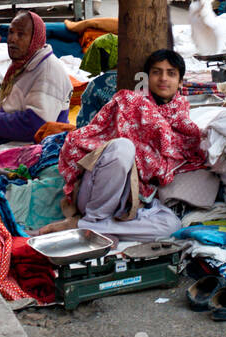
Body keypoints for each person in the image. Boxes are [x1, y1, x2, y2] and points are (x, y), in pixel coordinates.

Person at [39, 49, 206, 241]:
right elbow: (86, 138)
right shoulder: (129, 102)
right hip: (99, 192)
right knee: (123, 148)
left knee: (170, 226)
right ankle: (95, 220)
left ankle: (86, 227)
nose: (163, 78)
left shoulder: (182, 121)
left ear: (180, 82)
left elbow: (184, 160)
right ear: (147, 77)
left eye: (171, 73)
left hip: (135, 199)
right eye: (156, 72)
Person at [0, 11, 71, 145]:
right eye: (11, 32)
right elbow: (12, 102)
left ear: (35, 39)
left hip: (32, 147)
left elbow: (37, 125)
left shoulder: (47, 73)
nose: (12, 39)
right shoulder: (25, 63)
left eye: (21, 34)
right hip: (10, 142)